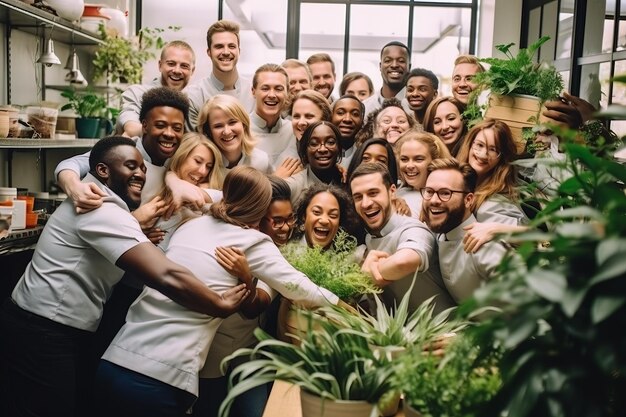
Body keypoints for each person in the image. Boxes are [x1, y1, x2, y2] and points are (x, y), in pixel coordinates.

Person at [0, 137, 248, 417]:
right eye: (132, 166)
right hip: (42, 329)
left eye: (143, 168)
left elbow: (217, 196)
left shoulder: (115, 209)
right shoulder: (100, 209)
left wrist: (177, 186)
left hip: (45, 325)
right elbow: (166, 274)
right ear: (104, 171)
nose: (141, 174)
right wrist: (217, 304)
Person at [95, 166, 343, 417]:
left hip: (114, 360)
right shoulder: (252, 242)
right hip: (159, 378)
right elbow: (301, 288)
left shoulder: (190, 224)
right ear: (260, 211)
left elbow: (210, 198)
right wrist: (346, 309)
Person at [193, 175, 294, 417]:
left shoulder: (280, 254)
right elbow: (249, 307)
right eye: (277, 221)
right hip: (214, 353)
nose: (286, 227)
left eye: (290, 218)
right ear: (257, 220)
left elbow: (257, 305)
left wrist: (247, 277)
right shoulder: (229, 244)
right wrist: (244, 276)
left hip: (250, 352)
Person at [55, 87, 190, 211]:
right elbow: (70, 164)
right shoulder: (124, 149)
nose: (169, 134)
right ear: (144, 126)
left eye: (177, 128)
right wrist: (74, 188)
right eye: (160, 125)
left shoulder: (181, 158)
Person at [349, 162, 455, 314]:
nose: (366, 203)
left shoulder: (413, 229)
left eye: (373, 193)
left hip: (447, 332)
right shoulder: (369, 239)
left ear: (392, 191)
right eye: (358, 197)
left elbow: (404, 262)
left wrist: (367, 276)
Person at [421, 158, 508, 302]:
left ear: (468, 200)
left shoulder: (483, 246)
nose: (434, 200)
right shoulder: (441, 235)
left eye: (445, 193)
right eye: (429, 192)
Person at [456, 119, 527, 225]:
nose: (484, 154)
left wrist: (494, 229)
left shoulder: (497, 202)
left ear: (501, 158)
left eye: (493, 149)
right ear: (469, 145)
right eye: (479, 145)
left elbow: (532, 234)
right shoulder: (455, 180)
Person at [117, 40, 196, 137]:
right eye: (171, 64)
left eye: (184, 66)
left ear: (192, 71)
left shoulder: (192, 101)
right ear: (160, 65)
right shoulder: (136, 93)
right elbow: (131, 129)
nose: (177, 70)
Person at [186, 20, 254, 129]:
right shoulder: (194, 96)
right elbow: (196, 141)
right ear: (209, 52)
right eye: (219, 46)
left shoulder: (254, 92)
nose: (226, 52)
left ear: (239, 51)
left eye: (231, 46)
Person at [197, 94, 272, 176]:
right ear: (208, 131)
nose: (227, 131)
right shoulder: (203, 166)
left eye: (232, 122)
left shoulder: (261, 161)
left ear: (244, 124)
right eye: (218, 126)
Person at [249, 64, 298, 172]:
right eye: (265, 88)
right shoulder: (240, 129)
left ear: (288, 93)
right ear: (253, 91)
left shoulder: (294, 130)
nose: (272, 95)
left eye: (278, 89)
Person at [394, 130, 451, 218]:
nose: (410, 165)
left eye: (418, 159)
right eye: (404, 159)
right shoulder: (397, 191)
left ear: (435, 160)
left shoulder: (443, 199)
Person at [285, 121, 343, 205]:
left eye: (330, 142)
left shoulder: (346, 182)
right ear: (305, 150)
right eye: (314, 144)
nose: (322, 149)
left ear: (339, 148)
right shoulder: (293, 186)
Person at [292, 182, 360, 250]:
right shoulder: (286, 252)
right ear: (304, 216)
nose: (324, 221)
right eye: (317, 212)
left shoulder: (351, 256)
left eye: (333, 215)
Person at [276, 89, 331, 165]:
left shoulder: (335, 156)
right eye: (296, 116)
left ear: (324, 119)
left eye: (309, 116)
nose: (301, 122)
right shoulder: (286, 161)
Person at [363, 41, 411, 116]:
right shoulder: (365, 108)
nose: (394, 65)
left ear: (409, 67)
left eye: (401, 61)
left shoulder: (417, 107)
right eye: (388, 61)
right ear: (380, 66)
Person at [330, 94, 365, 168]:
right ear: (331, 117)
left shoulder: (366, 154)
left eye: (355, 114)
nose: (347, 119)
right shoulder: (320, 152)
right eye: (340, 113)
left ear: (362, 121)